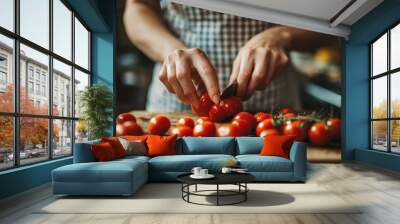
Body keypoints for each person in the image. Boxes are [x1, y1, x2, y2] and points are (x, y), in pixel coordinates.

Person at [123, 0, 333, 112]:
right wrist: (169, 49)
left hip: (272, 108)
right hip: (177, 106)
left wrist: (282, 35)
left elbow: (332, 18)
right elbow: (137, 6)